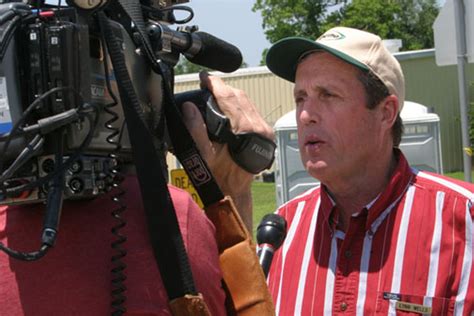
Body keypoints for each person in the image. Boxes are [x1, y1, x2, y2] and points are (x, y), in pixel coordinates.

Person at [257, 26, 473, 315]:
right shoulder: (280, 232)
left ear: (386, 113)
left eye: (328, 94)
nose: (306, 114)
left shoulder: (464, 219)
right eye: (301, 98)